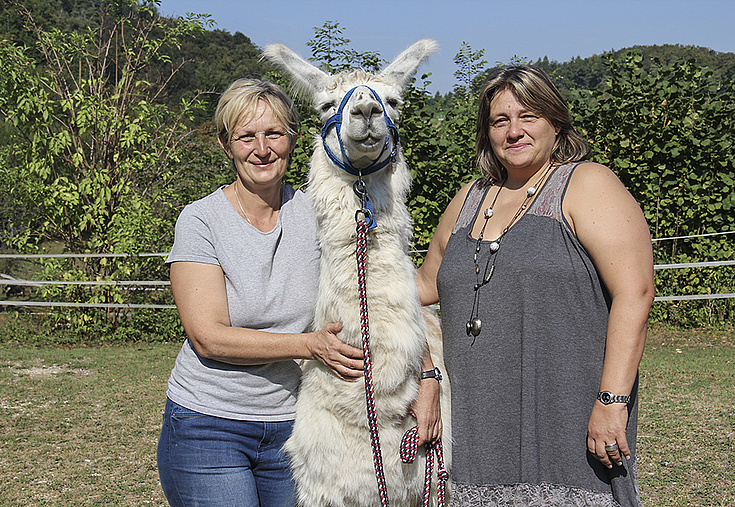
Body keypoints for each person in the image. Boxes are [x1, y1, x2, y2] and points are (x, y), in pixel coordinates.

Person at [416, 66, 654, 506]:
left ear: (555, 121)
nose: (514, 131)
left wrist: (612, 399)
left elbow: (635, 293)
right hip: (475, 423)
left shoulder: (586, 184)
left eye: (528, 116)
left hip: (566, 412)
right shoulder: (469, 199)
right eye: (500, 121)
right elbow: (423, 287)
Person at [156, 78, 366, 507]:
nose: (262, 149)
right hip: (208, 424)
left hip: (296, 425)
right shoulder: (201, 221)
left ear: (293, 138)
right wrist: (308, 345)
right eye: (246, 136)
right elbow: (208, 337)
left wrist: (426, 373)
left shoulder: (319, 213)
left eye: (274, 133)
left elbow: (374, 288)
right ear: (225, 144)